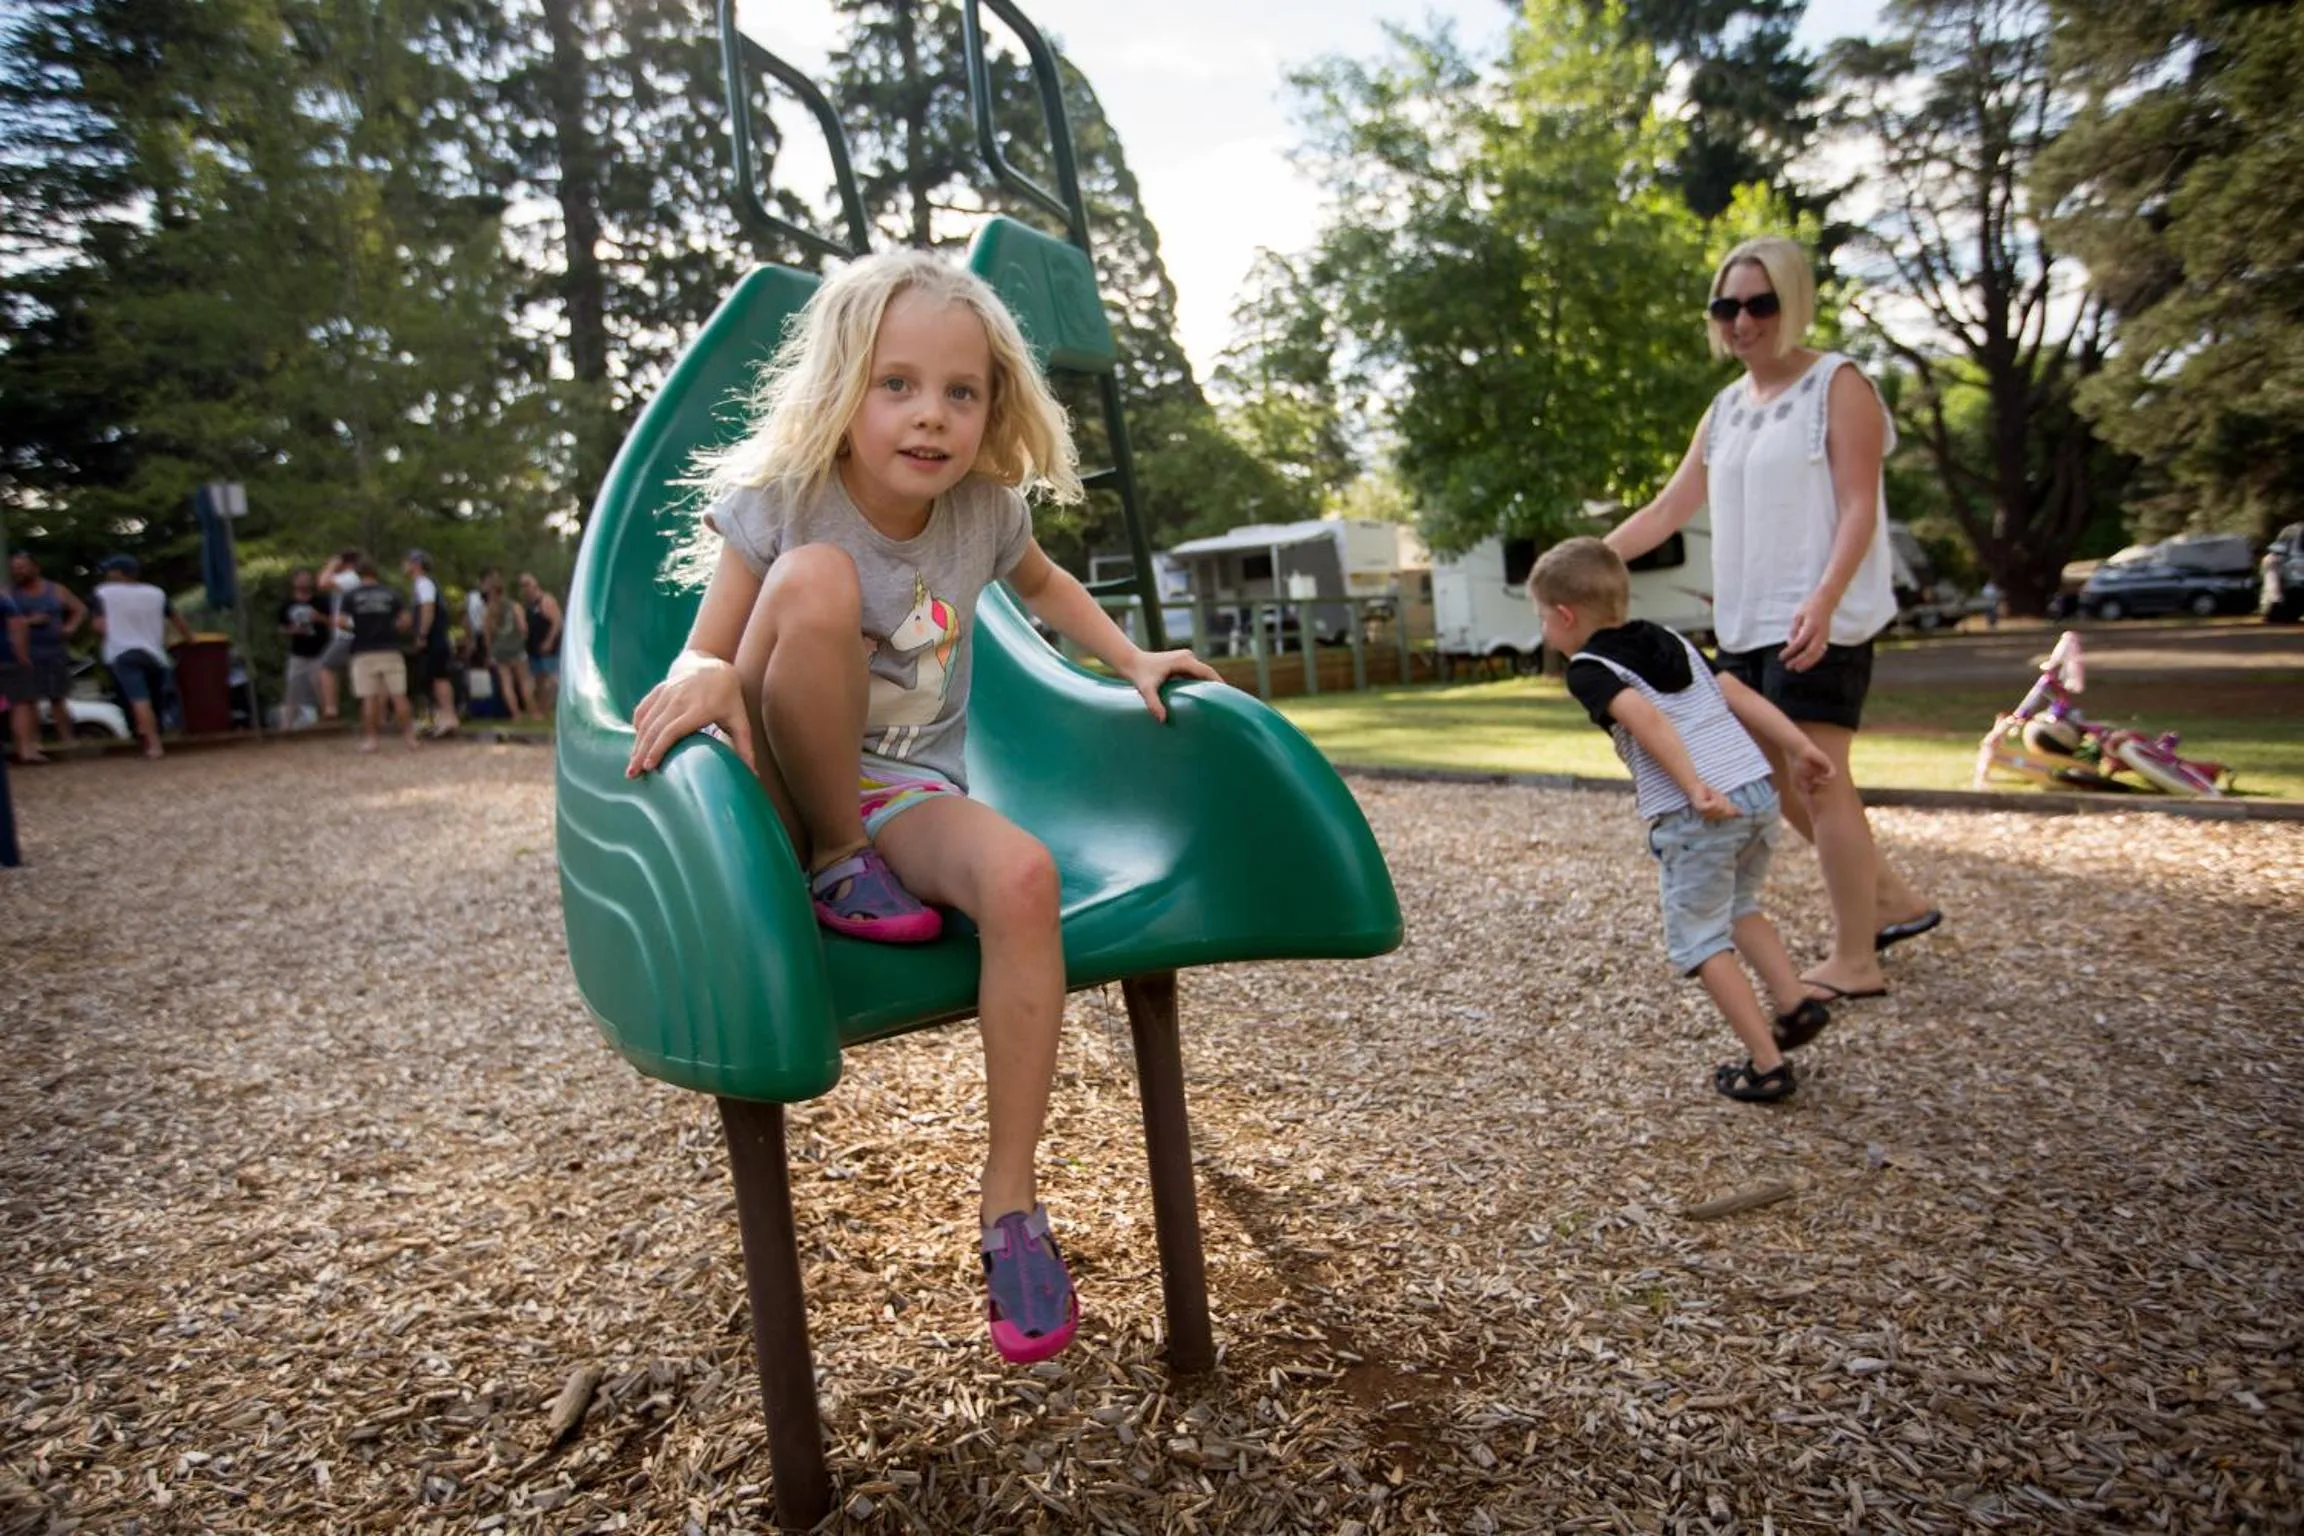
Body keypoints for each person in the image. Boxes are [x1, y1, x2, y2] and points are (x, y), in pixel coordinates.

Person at [622, 250, 1220, 1365]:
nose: (930, 415)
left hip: (905, 792)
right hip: (773, 798)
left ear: (993, 407)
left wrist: (1130, 657)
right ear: (843, 387)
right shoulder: (788, 499)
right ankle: (835, 858)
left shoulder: (982, 512)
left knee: (1025, 877)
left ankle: (1011, 1206)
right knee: (817, 578)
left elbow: (1046, 585)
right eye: (896, 384)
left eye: (961, 391)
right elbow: (712, 644)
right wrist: (701, 674)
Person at [1607, 236, 1941, 1004]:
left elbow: (1859, 506)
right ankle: (1890, 900)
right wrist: (1581, 562)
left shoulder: (1838, 385)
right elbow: (1667, 509)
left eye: (1760, 304)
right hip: (1746, 625)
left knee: (1820, 780)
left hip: (1819, 619)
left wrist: (1823, 598)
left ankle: (1857, 959)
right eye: (1726, 306)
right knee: (1776, 779)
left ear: (1792, 303)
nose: (1742, 321)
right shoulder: (1726, 409)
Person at [1533, 539, 1837, 1100]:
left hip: (1702, 812)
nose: (1544, 630)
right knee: (1740, 904)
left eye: (1542, 618)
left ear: (1566, 615)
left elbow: (1645, 718)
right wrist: (1798, 746)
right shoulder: (1671, 639)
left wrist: (1695, 787)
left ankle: (1767, 1065)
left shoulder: (1588, 669)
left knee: (1699, 940)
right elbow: (1736, 694)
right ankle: (1794, 1003)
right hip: (1756, 792)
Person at [90, 555, 195, 759]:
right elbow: (177, 619)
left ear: (119, 573)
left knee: (138, 698)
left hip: (122, 652)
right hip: (155, 653)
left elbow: (99, 626)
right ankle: (156, 733)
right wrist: (190, 639)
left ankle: (153, 744)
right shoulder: (156, 593)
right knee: (155, 698)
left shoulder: (103, 593)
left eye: (110, 570)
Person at [7, 552, 89, 764]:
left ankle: (67, 739)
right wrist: (30, 622)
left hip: (54, 650)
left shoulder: (56, 589)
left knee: (58, 697)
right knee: (29, 700)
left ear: (35, 567)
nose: (18, 571)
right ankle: (34, 743)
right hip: (25, 652)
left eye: (22, 567)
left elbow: (80, 609)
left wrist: (70, 627)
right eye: (14, 567)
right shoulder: (9, 593)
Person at [341, 556, 416, 751]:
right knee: (399, 695)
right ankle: (409, 738)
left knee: (369, 697)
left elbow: (341, 621)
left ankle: (371, 740)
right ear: (376, 573)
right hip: (390, 649)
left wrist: (358, 628)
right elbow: (406, 620)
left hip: (363, 650)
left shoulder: (351, 595)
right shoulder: (391, 594)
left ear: (357, 574)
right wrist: (393, 629)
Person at [404, 550, 460, 738]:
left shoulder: (423, 583)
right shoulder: (424, 584)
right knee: (434, 677)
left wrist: (422, 634)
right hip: (436, 637)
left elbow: (428, 609)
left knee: (439, 677)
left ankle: (449, 716)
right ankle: (441, 716)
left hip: (434, 638)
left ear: (416, 564)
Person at [276, 568, 332, 729]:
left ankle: (328, 725)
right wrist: (291, 630)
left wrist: (319, 618)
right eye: (300, 578)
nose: (304, 582)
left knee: (322, 690)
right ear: (293, 582)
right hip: (298, 654)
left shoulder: (321, 602)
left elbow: (334, 622)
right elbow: (281, 627)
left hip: (320, 652)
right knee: (293, 690)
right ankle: (286, 726)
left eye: (307, 578)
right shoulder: (287, 605)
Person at [313, 549, 363, 723]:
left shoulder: (350, 577)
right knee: (355, 674)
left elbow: (322, 583)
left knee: (325, 667)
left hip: (347, 633)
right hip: (348, 632)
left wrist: (331, 565)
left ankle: (331, 708)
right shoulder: (352, 579)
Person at [482, 571, 534, 719]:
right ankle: (533, 712)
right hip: (516, 648)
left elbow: (487, 634)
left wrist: (490, 651)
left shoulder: (489, 610)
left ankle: (516, 714)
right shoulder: (514, 606)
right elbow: (523, 627)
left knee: (507, 683)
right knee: (524, 680)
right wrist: (522, 639)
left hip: (499, 650)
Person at [519, 570, 563, 717]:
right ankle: (540, 710)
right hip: (533, 647)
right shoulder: (528, 605)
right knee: (538, 680)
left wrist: (549, 641)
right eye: (522, 586)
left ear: (535, 585)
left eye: (527, 585)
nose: (525, 588)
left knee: (551, 679)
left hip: (548, 647)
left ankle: (545, 709)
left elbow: (557, 622)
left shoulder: (545, 600)